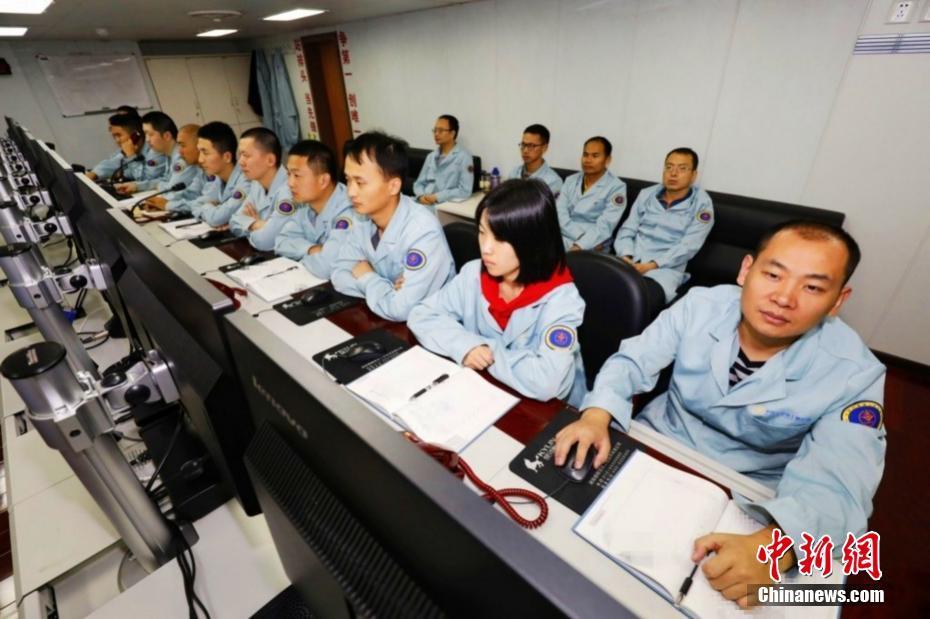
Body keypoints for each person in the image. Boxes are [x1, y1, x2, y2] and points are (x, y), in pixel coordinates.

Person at [554, 221, 886, 608]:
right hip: (659, 445)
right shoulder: (700, 305)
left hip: (749, 490)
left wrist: (777, 548)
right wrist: (596, 414)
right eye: (773, 275)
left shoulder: (855, 372)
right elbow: (632, 361)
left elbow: (842, 482)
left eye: (812, 287)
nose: (784, 298)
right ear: (746, 270)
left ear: (838, 301)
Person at [409, 179, 586, 406]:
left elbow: (546, 382)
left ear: (533, 241)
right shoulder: (474, 274)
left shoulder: (562, 299)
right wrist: (464, 344)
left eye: (501, 238)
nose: (486, 248)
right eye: (482, 232)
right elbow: (422, 315)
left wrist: (484, 348)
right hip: (484, 392)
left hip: (550, 411)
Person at [332, 131, 455, 321]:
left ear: (393, 186)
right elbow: (339, 274)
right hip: (382, 318)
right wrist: (387, 289)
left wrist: (367, 276)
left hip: (433, 326)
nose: (351, 192)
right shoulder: (361, 216)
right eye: (348, 180)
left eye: (360, 182)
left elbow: (400, 309)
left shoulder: (422, 231)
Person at [613, 147, 714, 312]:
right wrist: (625, 256)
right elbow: (627, 230)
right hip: (629, 262)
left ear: (694, 175)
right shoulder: (646, 194)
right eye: (669, 167)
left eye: (682, 168)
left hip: (663, 271)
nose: (673, 173)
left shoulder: (702, 205)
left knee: (635, 303)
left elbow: (688, 246)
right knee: (592, 289)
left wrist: (651, 265)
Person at [274, 140, 352, 279]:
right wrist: (311, 249)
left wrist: (300, 256)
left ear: (323, 180)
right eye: (288, 174)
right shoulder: (305, 206)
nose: (290, 183)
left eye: (297, 175)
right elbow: (280, 242)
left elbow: (326, 266)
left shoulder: (349, 210)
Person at [555, 137, 627, 251]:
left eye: (595, 156)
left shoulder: (616, 187)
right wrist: (579, 235)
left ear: (608, 159)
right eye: (585, 155)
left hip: (593, 243)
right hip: (564, 234)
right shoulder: (570, 180)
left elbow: (605, 226)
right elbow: (559, 213)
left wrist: (582, 244)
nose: (588, 160)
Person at [228, 127, 292, 250]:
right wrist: (256, 224)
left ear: (270, 160)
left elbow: (265, 241)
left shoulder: (290, 190)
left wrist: (249, 227)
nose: (240, 162)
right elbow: (234, 221)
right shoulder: (257, 184)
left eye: (246, 155)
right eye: (240, 155)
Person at [115, 112, 199, 195]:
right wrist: (137, 186)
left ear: (167, 136)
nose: (147, 140)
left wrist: (158, 185)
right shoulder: (169, 155)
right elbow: (165, 179)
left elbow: (171, 189)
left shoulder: (182, 157)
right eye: (145, 134)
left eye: (150, 134)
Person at [189, 121, 251, 228]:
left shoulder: (246, 180)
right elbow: (195, 205)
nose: (200, 159)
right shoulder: (217, 178)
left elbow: (216, 219)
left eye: (205, 152)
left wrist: (209, 207)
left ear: (227, 157)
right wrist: (213, 210)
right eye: (199, 152)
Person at [140, 124, 207, 214]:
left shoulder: (213, 172)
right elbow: (191, 194)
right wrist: (164, 203)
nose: (180, 151)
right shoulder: (201, 171)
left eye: (183, 146)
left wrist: (168, 205)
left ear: (199, 147)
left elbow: (205, 205)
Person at [413, 114, 474, 206]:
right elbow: (419, 183)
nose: (436, 134)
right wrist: (421, 196)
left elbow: (465, 191)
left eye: (441, 130)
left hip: (442, 204)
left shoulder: (464, 157)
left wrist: (437, 197)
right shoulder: (431, 156)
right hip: (422, 201)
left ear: (452, 133)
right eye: (435, 130)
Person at [86, 113, 165, 183]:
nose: (117, 140)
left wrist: (131, 155)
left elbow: (145, 179)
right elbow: (112, 163)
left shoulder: (155, 150)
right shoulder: (128, 149)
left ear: (135, 135)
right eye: (114, 136)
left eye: (118, 135)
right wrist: (94, 174)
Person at [506, 124, 563, 196]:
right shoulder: (514, 173)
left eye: (531, 146)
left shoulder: (553, 182)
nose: (525, 150)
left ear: (544, 148)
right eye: (523, 145)